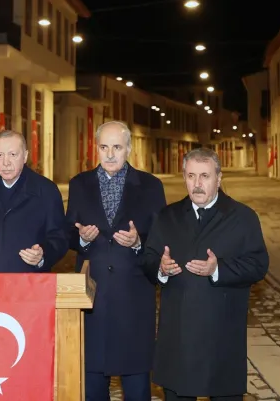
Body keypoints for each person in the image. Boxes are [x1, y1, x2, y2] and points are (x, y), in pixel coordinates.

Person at [143, 148, 270, 401]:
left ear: (219, 178)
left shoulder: (242, 217)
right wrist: (161, 268)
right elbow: (148, 259)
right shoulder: (167, 216)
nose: (197, 184)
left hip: (221, 334)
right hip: (178, 335)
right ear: (184, 177)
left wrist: (218, 269)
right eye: (191, 176)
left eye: (205, 176)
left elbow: (258, 264)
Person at [66, 121, 166, 401]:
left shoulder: (150, 186)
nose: (110, 154)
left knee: (136, 386)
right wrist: (82, 239)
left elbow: (162, 238)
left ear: (129, 149)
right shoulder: (79, 184)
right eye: (104, 147)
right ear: (96, 148)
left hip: (133, 297)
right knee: (92, 384)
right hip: (92, 299)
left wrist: (138, 242)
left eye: (117, 147)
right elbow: (67, 233)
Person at [0, 130, 67, 272]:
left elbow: (59, 237)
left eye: (13, 154)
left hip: (29, 281)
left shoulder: (46, 191)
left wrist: (42, 256)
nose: (6, 162)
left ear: (25, 156)